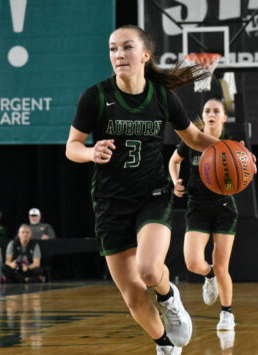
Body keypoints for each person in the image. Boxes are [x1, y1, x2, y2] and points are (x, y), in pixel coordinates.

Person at [65, 24, 223, 354]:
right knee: (133, 294)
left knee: (149, 270)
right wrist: (90, 152)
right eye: (112, 49)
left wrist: (229, 149)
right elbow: (72, 147)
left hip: (153, 194)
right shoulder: (95, 97)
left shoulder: (163, 96)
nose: (118, 54)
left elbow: (193, 137)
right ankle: (164, 345)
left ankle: (169, 296)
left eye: (126, 47)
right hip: (110, 202)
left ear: (145, 55)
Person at [168, 98, 238, 331]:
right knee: (193, 262)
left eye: (216, 111)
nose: (210, 114)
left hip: (223, 208)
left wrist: (250, 164)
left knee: (222, 267)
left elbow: (246, 172)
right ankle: (208, 277)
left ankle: (227, 313)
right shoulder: (191, 139)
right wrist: (175, 181)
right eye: (207, 110)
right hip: (197, 207)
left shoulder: (231, 145)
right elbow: (173, 161)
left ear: (223, 117)